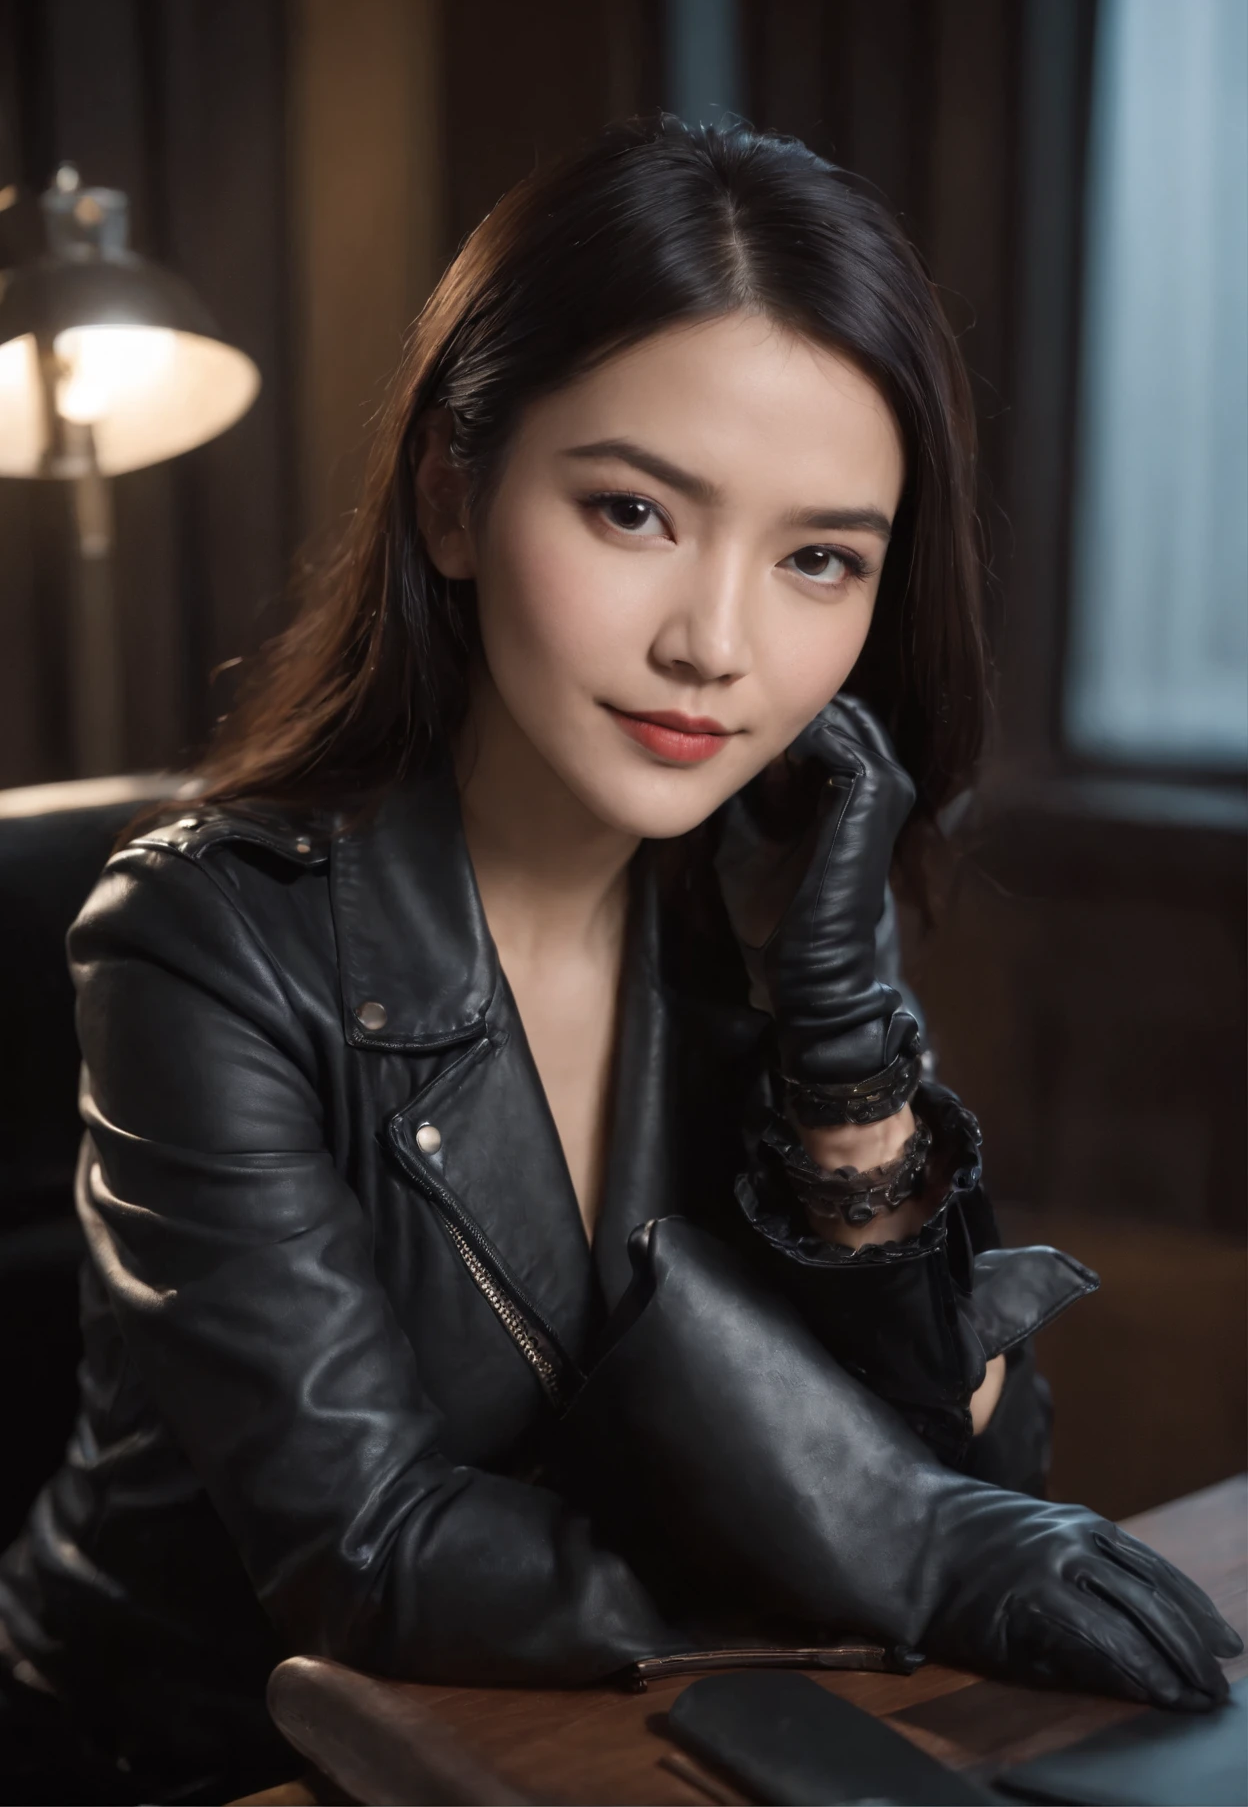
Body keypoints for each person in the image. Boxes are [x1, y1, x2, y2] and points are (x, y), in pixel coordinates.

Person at [0, 118, 1237, 1803]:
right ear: (454, 494)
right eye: (637, 511)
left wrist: (846, 1044)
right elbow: (373, 1554)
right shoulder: (205, 940)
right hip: (193, 1762)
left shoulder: (766, 891)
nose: (717, 645)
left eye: (819, 558)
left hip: (596, 1735)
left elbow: (965, 1444)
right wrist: (911, 1558)